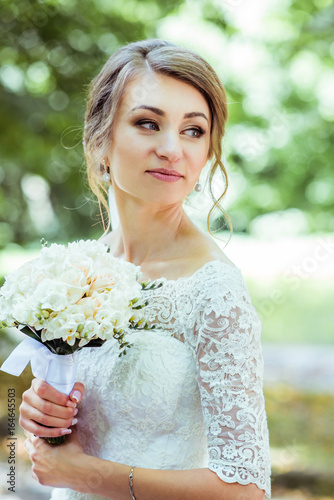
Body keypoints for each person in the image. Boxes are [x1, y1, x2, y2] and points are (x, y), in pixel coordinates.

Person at [19, 39, 271, 499]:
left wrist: (84, 473)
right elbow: (74, 406)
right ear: (101, 140)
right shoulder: (83, 270)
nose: (172, 149)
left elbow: (246, 489)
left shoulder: (213, 288)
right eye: (148, 123)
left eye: (193, 130)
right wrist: (43, 411)